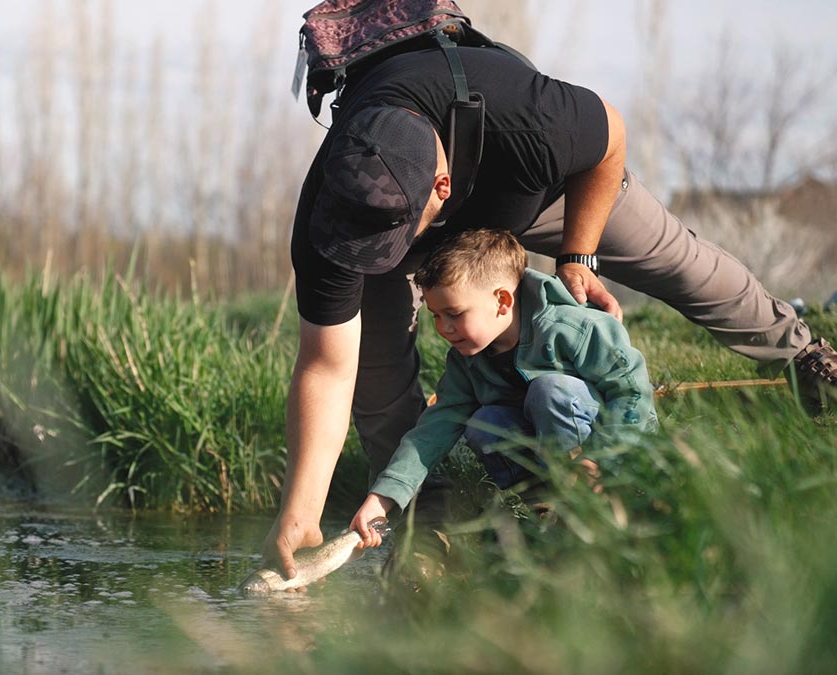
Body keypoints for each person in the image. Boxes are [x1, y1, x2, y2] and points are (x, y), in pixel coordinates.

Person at [262, 44, 837, 581]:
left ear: (441, 187)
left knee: (673, 258)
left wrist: (578, 257)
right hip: (421, 210)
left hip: (536, 190)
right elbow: (326, 367)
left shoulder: (530, 120)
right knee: (377, 365)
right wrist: (299, 512)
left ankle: (806, 360)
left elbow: (610, 135)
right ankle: (424, 528)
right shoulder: (333, 217)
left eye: (387, 241)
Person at [348, 229, 656, 547]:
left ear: (502, 301)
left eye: (454, 314)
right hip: (548, 455)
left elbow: (632, 393)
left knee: (548, 391)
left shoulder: (572, 329)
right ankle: (546, 508)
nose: (443, 328)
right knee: (485, 420)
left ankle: (594, 503)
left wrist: (596, 461)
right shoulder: (467, 363)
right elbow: (431, 432)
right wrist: (382, 498)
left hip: (614, 452)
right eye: (435, 315)